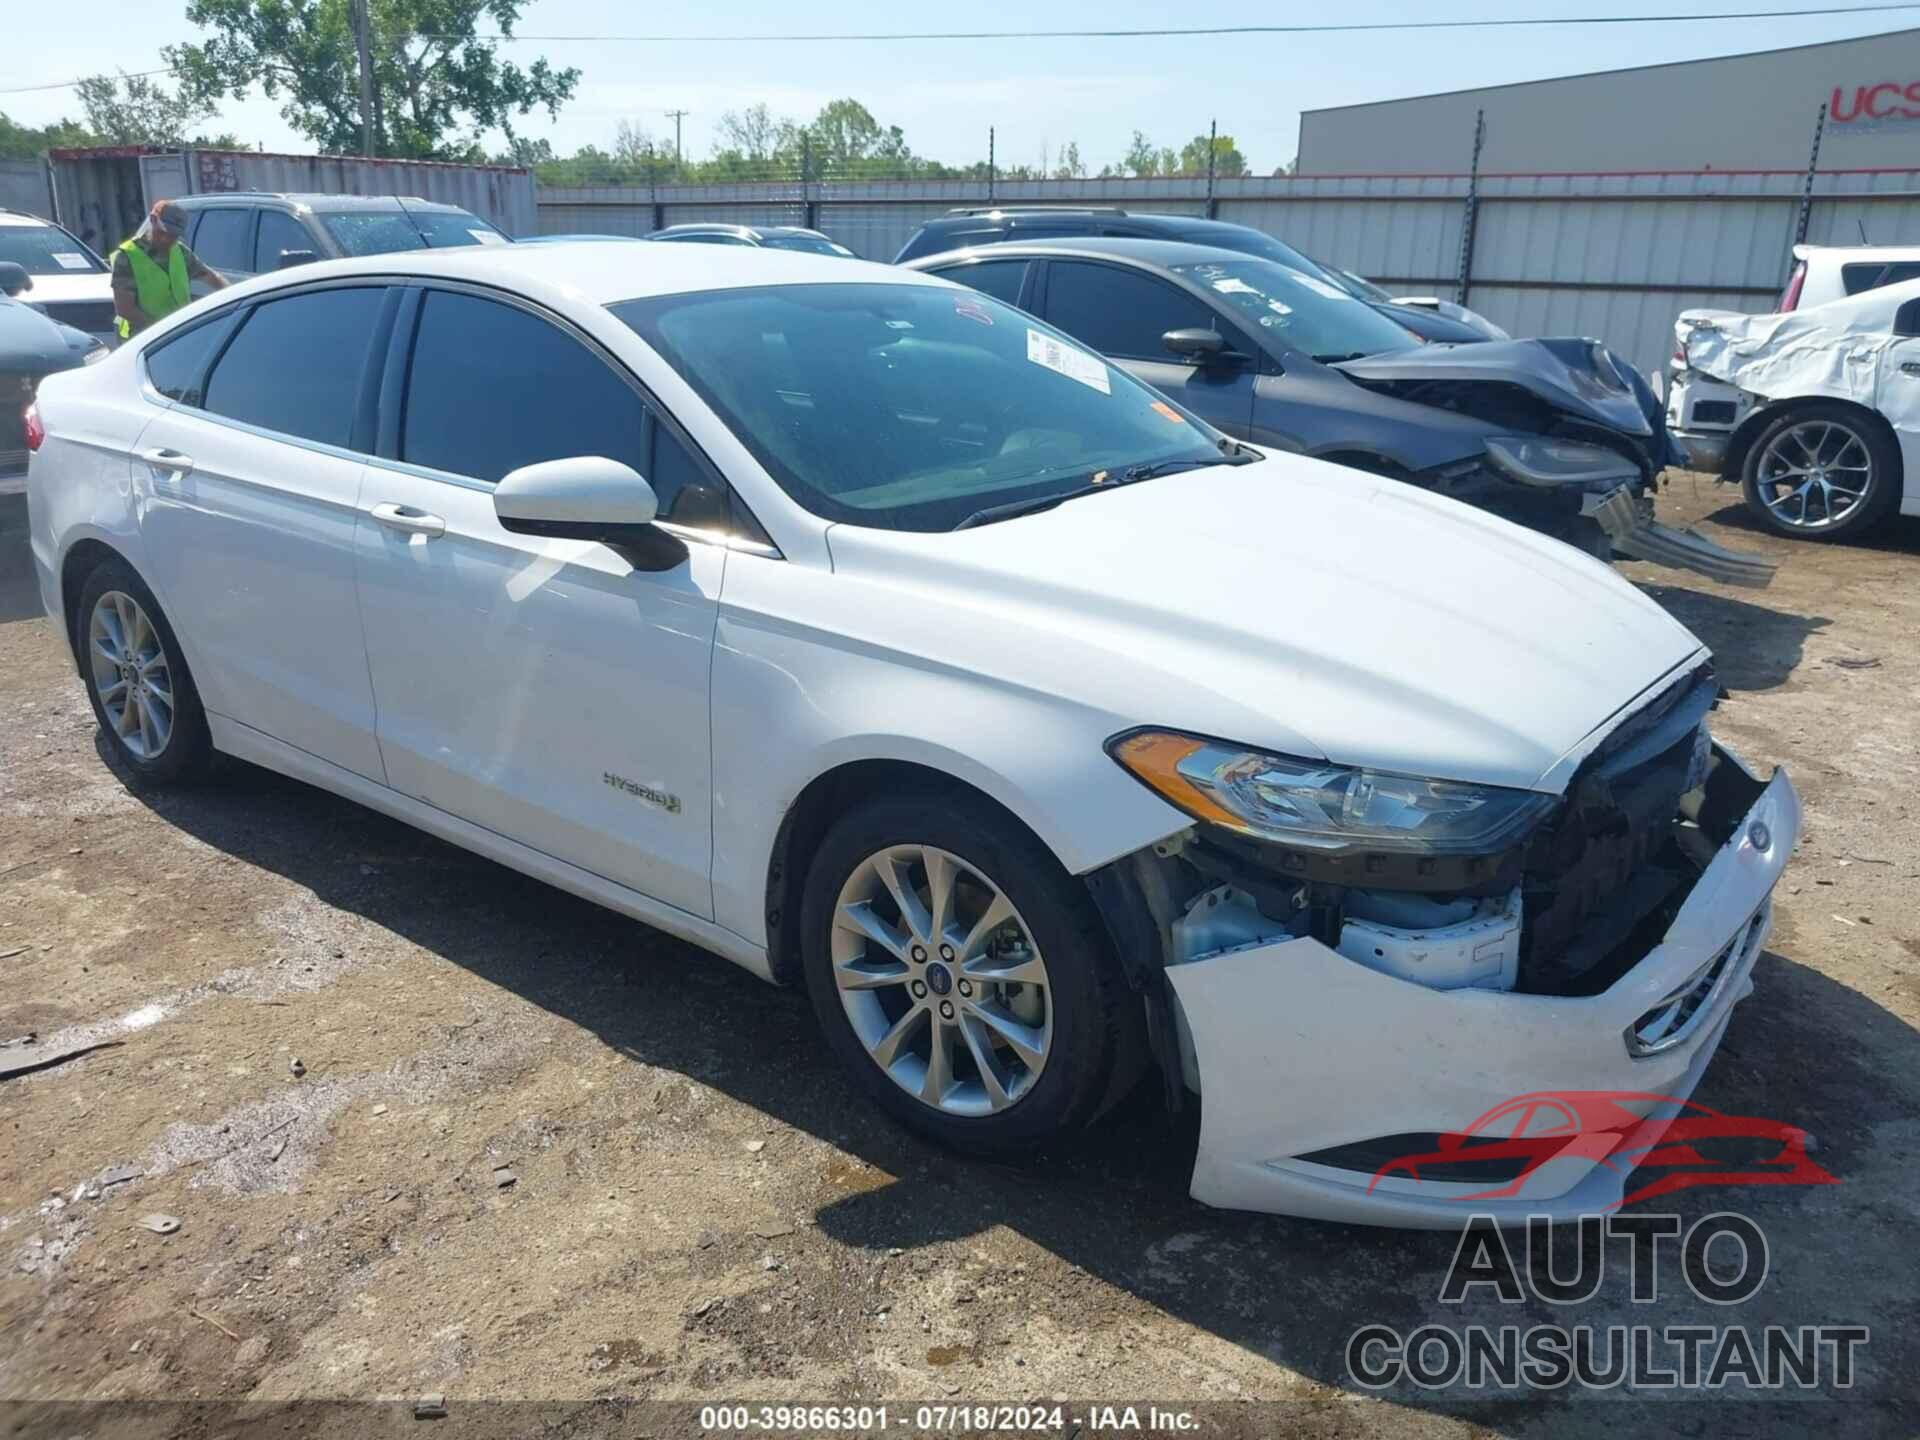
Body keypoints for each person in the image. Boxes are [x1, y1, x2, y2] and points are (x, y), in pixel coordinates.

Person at [110, 201, 228, 340]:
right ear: (153, 220)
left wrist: (234, 295)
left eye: (174, 235)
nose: (168, 239)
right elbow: (125, 309)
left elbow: (210, 276)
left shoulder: (180, 252)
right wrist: (162, 329)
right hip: (145, 339)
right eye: (164, 232)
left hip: (180, 334)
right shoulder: (127, 256)